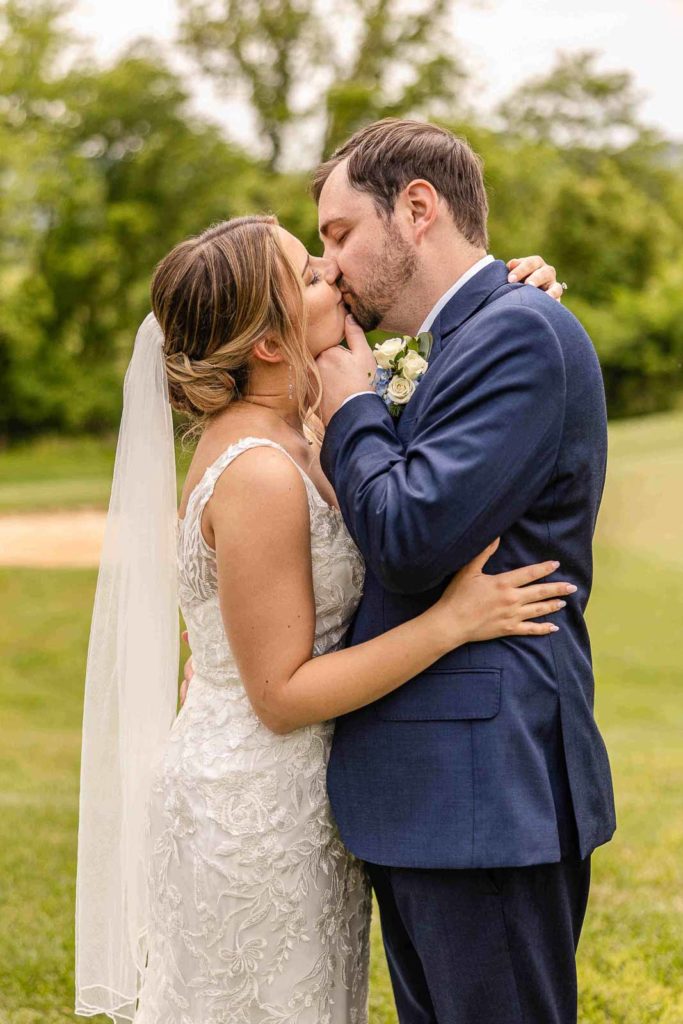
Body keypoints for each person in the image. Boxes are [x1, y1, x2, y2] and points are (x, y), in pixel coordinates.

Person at [75, 208, 571, 1024]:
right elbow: (280, 694)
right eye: (308, 273)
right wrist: (451, 622)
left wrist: (514, 297)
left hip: (299, 802)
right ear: (268, 343)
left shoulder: (302, 427)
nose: (333, 275)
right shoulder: (261, 472)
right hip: (252, 815)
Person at [308, 118, 617, 1024]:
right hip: (435, 790)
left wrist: (354, 404)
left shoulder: (517, 333)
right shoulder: (468, 337)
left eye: (338, 235)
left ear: (416, 209)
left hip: (486, 789)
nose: (328, 269)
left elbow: (407, 533)